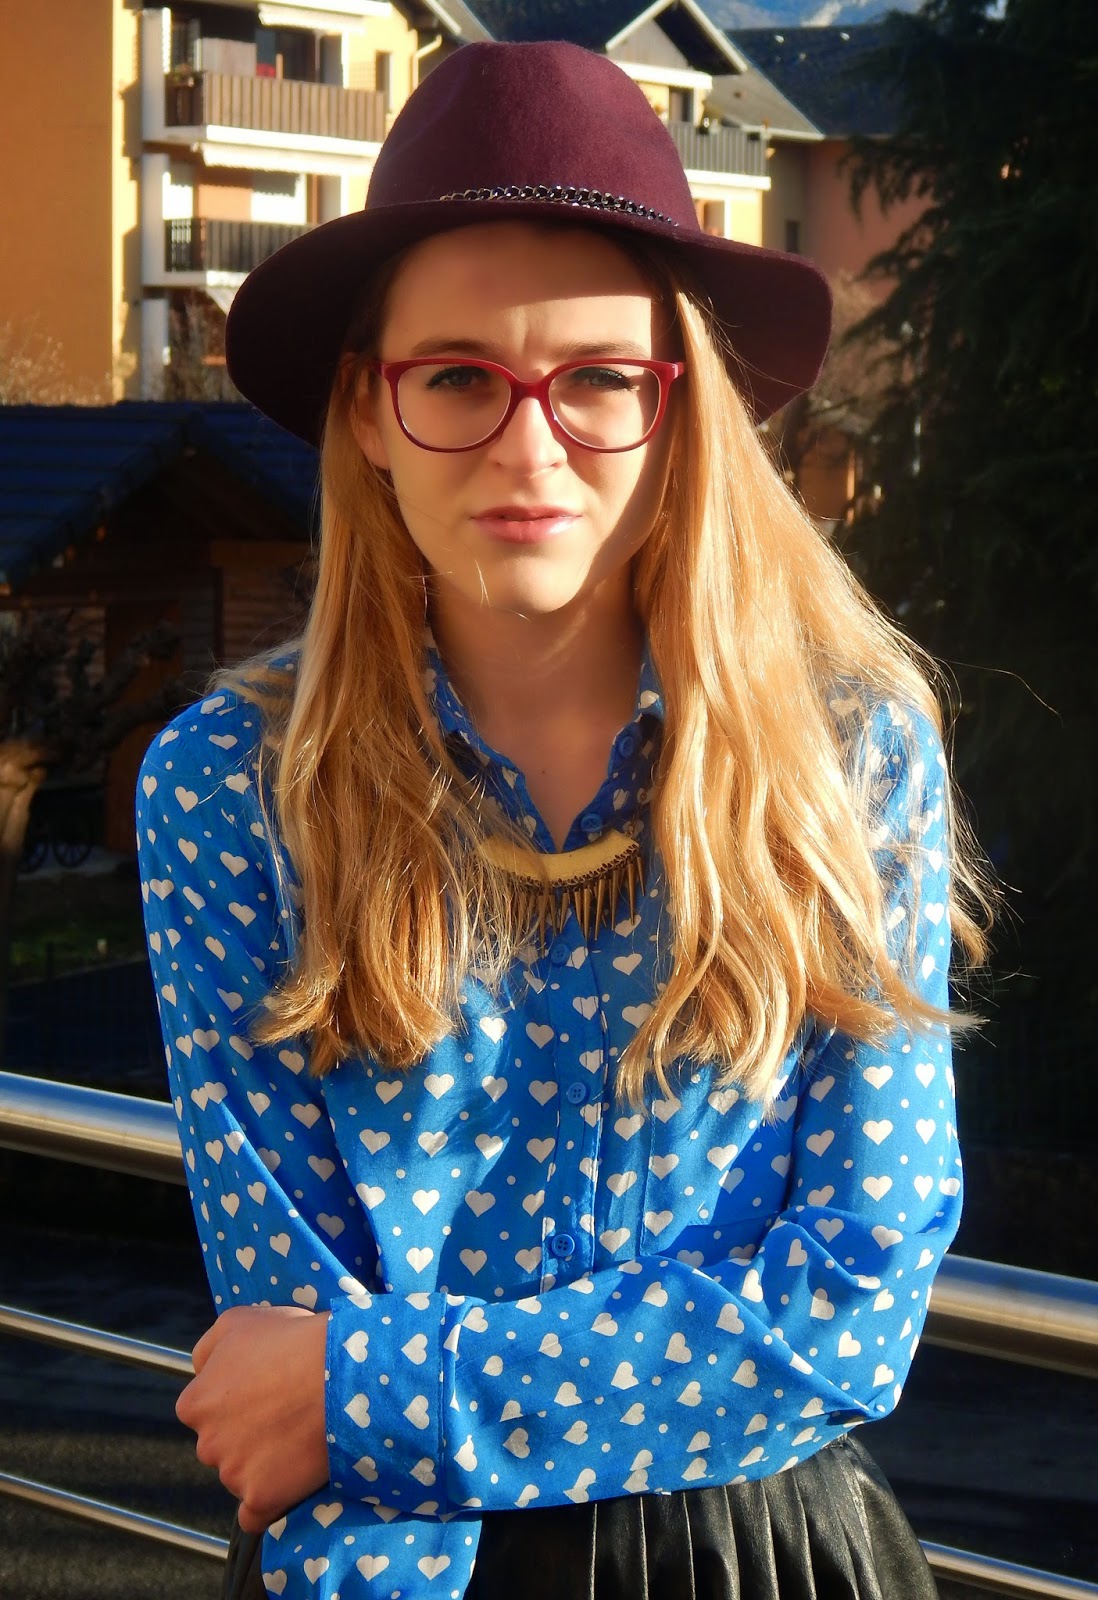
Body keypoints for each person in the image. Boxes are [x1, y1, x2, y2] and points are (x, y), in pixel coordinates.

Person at [137, 39, 989, 1600]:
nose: (528, 448)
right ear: (369, 410)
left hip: (764, 1555)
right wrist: (349, 1402)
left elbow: (850, 1308)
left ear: (680, 410)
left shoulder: (846, 754)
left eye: (597, 379)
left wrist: (371, 1394)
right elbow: (279, 1331)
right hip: (384, 1563)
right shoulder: (231, 789)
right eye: (458, 378)